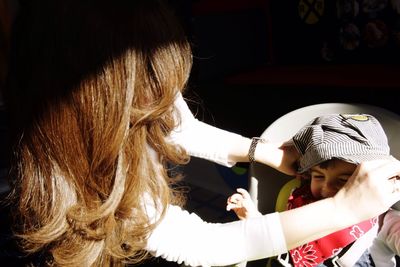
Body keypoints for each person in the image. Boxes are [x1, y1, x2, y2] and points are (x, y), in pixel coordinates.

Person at [3, 1, 400, 266]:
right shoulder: (90, 187)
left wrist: (260, 151)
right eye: (151, 107)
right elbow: (206, 244)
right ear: (104, 121)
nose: (168, 109)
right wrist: (343, 209)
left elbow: (179, 127)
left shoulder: (126, 86)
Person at [227, 113, 397, 267]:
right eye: (319, 177)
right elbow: (278, 242)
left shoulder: (383, 219)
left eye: (344, 180)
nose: (326, 188)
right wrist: (254, 220)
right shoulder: (300, 204)